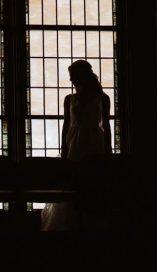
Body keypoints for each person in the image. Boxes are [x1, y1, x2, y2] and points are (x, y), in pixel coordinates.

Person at [41, 59, 112, 231]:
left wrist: (108, 151)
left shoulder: (103, 98)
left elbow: (107, 126)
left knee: (92, 182)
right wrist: (64, 149)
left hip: (95, 143)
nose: (71, 80)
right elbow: (66, 125)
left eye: (73, 76)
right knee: (74, 183)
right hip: (74, 143)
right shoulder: (69, 99)